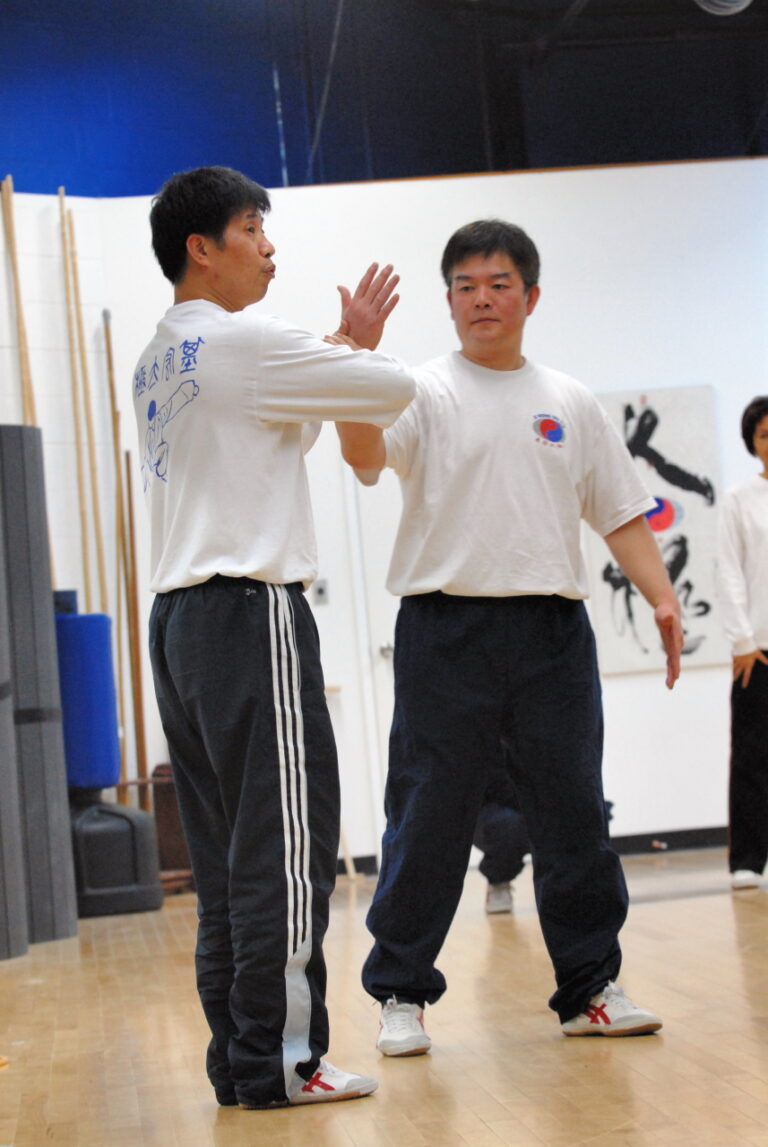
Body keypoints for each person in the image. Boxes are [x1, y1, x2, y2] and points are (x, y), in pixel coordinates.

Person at [336, 219, 683, 1054]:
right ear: (449, 300)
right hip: (444, 625)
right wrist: (355, 360)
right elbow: (363, 457)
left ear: (530, 296)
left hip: (551, 631)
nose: (481, 298)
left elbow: (620, 513)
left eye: (497, 283)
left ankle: (590, 986)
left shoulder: (569, 401)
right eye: (464, 285)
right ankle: (402, 995)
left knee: (573, 811)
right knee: (429, 811)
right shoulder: (420, 388)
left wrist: (662, 599)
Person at [133, 166, 415, 1109]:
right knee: (289, 851)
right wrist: (360, 348)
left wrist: (336, 352)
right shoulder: (246, 341)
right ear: (201, 248)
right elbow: (388, 387)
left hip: (178, 624)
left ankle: (242, 1061)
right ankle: (288, 1058)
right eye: (255, 228)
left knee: (225, 866)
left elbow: (280, 412)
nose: (271, 246)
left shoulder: (161, 358)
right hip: (249, 612)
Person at [715, 396, 768, 891]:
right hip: (759, 651)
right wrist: (742, 641)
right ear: (753, 443)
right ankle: (748, 860)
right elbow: (728, 572)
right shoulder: (739, 500)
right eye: (765, 435)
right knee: (752, 756)